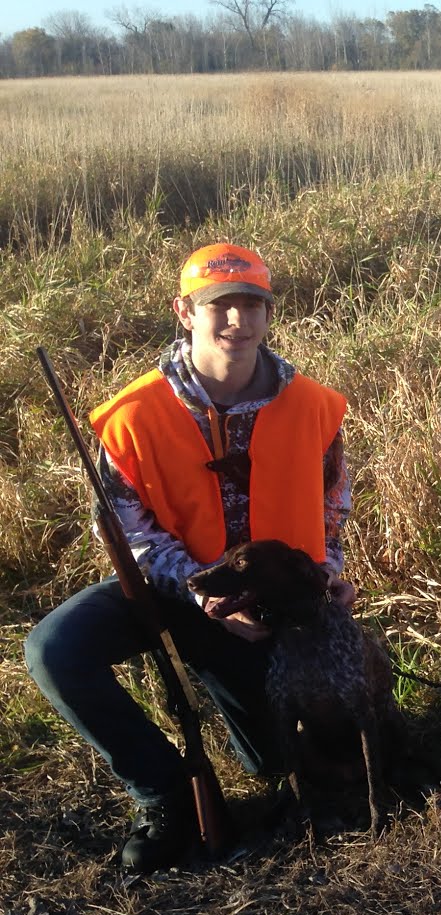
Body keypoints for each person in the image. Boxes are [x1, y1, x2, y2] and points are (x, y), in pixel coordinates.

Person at [24, 243, 355, 873]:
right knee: (53, 650)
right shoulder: (133, 415)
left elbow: (330, 511)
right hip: (163, 586)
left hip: (262, 606)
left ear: (267, 311)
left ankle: (263, 762)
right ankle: (163, 793)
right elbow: (127, 530)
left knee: (272, 761)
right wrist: (200, 592)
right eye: (220, 306)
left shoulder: (313, 405)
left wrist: (326, 576)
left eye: (251, 303)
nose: (238, 320)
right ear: (185, 311)